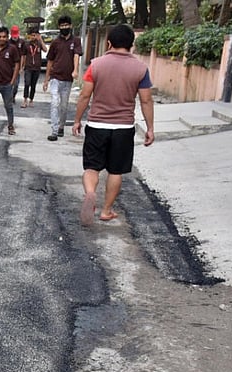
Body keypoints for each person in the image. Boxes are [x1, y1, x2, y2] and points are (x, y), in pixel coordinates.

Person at [72, 24, 155, 226]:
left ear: (108, 43)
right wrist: (150, 128)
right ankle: (106, 211)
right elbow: (146, 100)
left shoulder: (96, 64)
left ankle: (90, 193)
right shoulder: (140, 69)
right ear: (131, 45)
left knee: (92, 167)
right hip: (123, 128)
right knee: (115, 171)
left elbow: (85, 95)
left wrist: (77, 120)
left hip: (97, 125)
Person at [43, 15, 82, 141]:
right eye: (62, 26)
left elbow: (76, 55)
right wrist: (46, 79)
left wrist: (75, 70)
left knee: (64, 106)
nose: (64, 27)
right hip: (55, 77)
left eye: (66, 25)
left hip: (67, 79)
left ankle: (61, 126)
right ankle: (54, 131)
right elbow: (50, 60)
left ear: (70, 26)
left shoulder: (75, 40)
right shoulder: (55, 43)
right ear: (59, 27)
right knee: (55, 103)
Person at [21, 29, 46, 108]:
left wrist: (41, 40)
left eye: (35, 35)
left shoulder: (39, 44)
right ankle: (25, 100)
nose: (33, 37)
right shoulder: (26, 44)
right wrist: (22, 67)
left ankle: (31, 100)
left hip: (37, 68)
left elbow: (45, 50)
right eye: (32, 35)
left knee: (33, 85)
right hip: (28, 67)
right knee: (27, 83)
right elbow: (23, 56)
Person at [7, 25, 27, 104]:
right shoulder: (7, 42)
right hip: (9, 66)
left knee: (16, 84)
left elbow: (23, 56)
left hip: (17, 66)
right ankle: (8, 97)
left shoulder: (21, 42)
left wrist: (22, 67)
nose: (15, 37)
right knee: (8, 83)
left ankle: (13, 96)